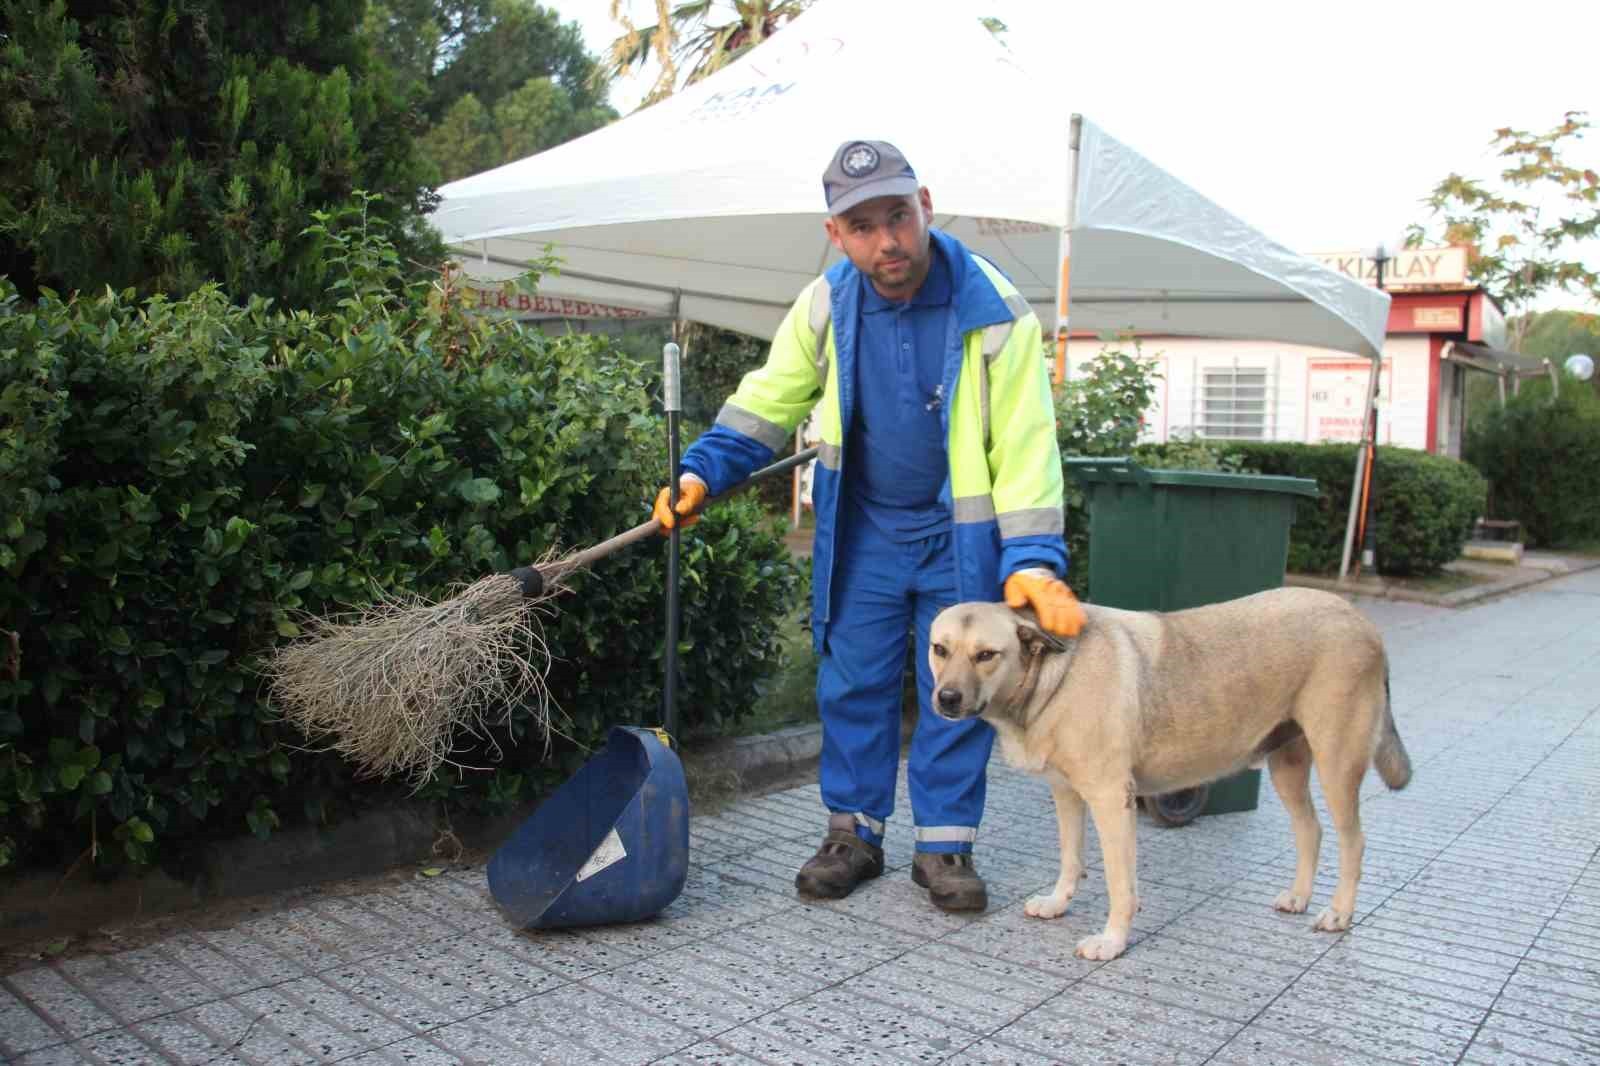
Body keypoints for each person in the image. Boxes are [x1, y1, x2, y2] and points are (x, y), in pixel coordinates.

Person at [653, 139, 1084, 912]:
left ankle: (945, 847)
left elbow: (1025, 445)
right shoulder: (825, 305)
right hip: (867, 533)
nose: (887, 240)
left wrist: (1032, 560)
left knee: (957, 687)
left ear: (926, 206)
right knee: (852, 681)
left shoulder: (995, 309)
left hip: (960, 536)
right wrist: (702, 470)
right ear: (837, 236)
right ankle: (853, 834)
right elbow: (770, 399)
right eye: (862, 225)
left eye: (898, 215)